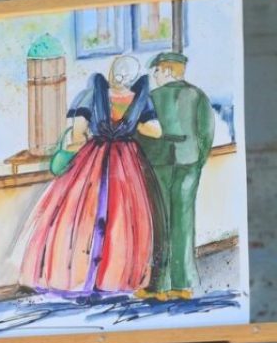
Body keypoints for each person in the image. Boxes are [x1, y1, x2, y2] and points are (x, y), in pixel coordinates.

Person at [13, 53, 166, 295]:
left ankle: (75, 275)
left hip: (94, 155)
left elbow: (77, 133)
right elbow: (155, 131)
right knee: (122, 216)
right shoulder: (139, 100)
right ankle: (113, 276)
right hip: (126, 161)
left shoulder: (93, 94)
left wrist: (80, 142)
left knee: (80, 213)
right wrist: (132, 124)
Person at [137, 51, 216, 299]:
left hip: (158, 163)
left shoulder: (151, 98)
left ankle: (160, 286)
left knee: (162, 222)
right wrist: (198, 159)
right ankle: (184, 284)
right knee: (184, 221)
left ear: (168, 70)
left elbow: (138, 135)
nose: (155, 76)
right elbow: (206, 131)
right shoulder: (198, 96)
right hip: (189, 162)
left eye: (157, 71)